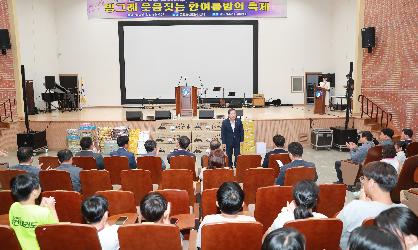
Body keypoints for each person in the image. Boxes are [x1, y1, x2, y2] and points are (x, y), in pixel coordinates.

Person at [337, 161, 405, 249]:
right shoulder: (404, 210)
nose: (362, 182)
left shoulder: (355, 207)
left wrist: (360, 204)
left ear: (371, 183)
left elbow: (334, 230)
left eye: (363, 179)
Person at [196, 182, 256, 248]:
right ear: (242, 204)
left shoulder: (207, 221)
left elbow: (200, 245)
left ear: (217, 204)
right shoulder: (252, 221)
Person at [9, 174, 59, 250]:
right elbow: (56, 231)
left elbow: (30, 216)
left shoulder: (13, 206)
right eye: (39, 186)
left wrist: (41, 207)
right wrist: (52, 209)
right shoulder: (44, 213)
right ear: (34, 192)